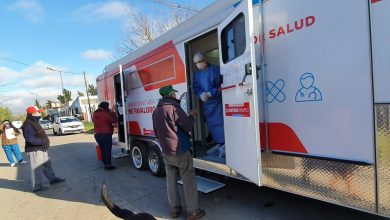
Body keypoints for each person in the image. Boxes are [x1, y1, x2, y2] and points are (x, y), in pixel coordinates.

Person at [152, 85, 205, 220]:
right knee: (188, 181)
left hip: (166, 151)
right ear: (170, 94)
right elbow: (187, 126)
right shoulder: (174, 107)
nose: (175, 95)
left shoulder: (156, 111)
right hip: (180, 150)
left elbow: (157, 133)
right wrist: (192, 116)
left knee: (171, 180)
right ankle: (193, 212)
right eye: (174, 93)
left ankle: (174, 209)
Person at [22, 105, 65, 192]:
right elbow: (30, 139)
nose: (39, 113)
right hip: (35, 150)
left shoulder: (34, 122)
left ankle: (52, 179)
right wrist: (42, 142)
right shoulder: (27, 124)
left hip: (41, 148)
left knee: (47, 165)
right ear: (32, 113)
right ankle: (37, 186)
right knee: (37, 168)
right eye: (38, 112)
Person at [192, 52, 225, 158]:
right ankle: (219, 144)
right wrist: (201, 94)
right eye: (196, 63)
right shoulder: (197, 74)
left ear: (205, 60)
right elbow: (196, 87)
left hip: (218, 102)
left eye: (199, 62)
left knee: (221, 124)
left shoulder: (216, 69)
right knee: (212, 125)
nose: (198, 65)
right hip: (207, 104)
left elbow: (222, 84)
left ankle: (225, 145)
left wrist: (211, 92)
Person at [93, 102, 117, 170]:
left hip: (97, 135)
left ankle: (105, 163)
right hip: (106, 134)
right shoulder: (106, 114)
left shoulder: (95, 114)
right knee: (107, 150)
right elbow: (114, 120)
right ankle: (108, 165)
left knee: (103, 149)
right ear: (106, 107)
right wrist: (112, 112)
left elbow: (94, 121)